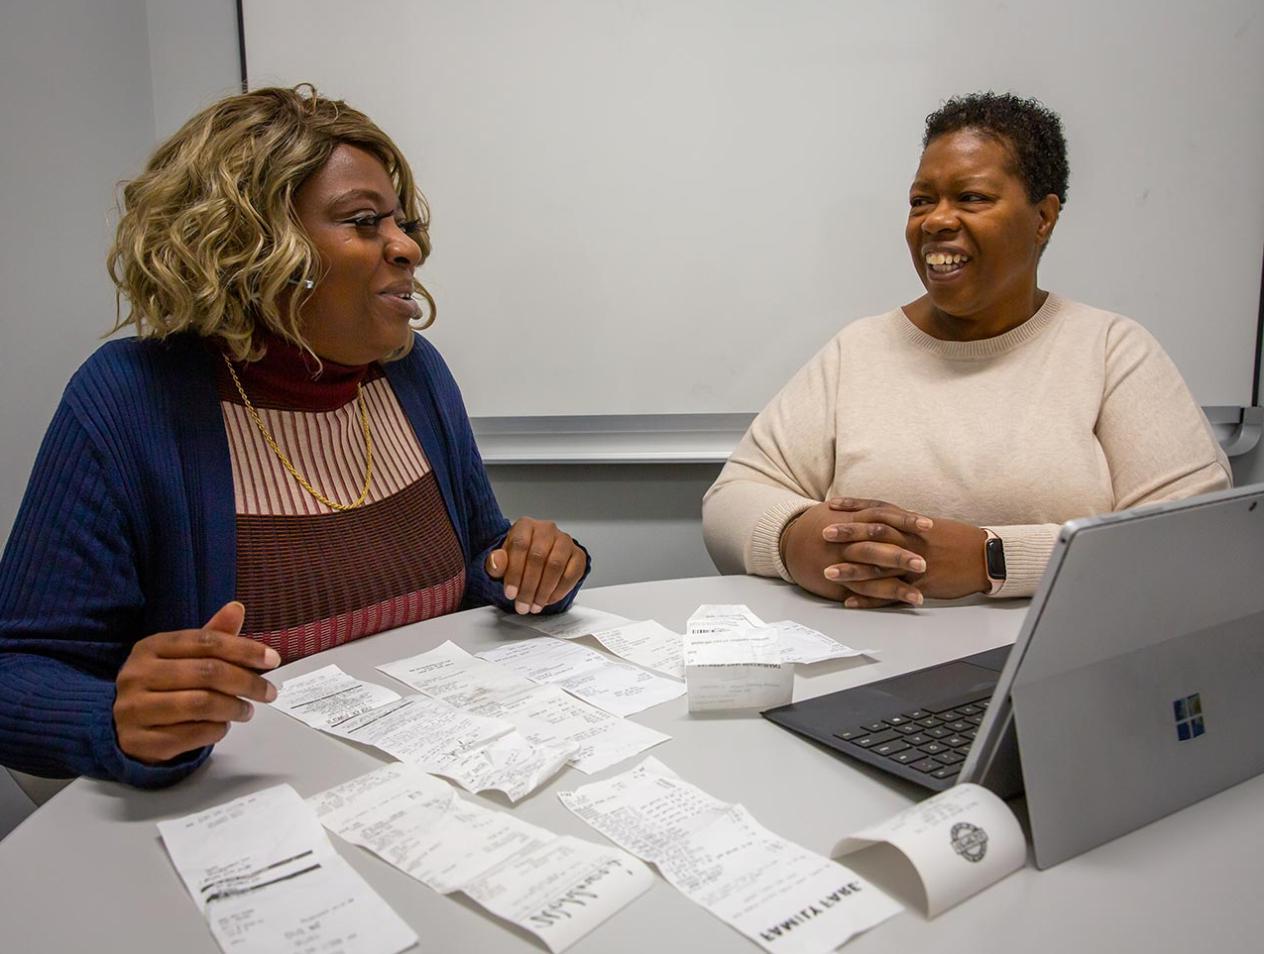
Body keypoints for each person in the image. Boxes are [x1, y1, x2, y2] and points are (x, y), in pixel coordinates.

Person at [0, 86, 590, 788]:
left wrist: (529, 568)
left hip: (440, 783)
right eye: (365, 221)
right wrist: (114, 718)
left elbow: (475, 560)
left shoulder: (412, 374)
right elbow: (18, 671)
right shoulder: (131, 402)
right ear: (252, 248)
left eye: (400, 222)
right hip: (248, 817)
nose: (408, 246)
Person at [703, 92, 1230, 609]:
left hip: (1045, 670)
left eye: (972, 198)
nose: (936, 220)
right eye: (921, 200)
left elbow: (1191, 540)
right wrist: (795, 541)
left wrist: (991, 561)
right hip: (871, 669)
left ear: (1043, 217)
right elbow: (732, 498)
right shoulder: (858, 351)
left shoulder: (1111, 351)